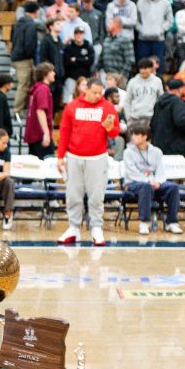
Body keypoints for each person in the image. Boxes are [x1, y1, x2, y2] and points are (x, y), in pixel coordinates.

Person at [56, 79, 120, 246]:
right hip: (74, 156)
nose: (98, 95)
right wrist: (60, 156)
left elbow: (115, 133)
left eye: (100, 92)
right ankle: (73, 228)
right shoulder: (72, 106)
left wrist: (109, 128)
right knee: (73, 194)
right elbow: (64, 132)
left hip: (98, 157)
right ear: (86, 90)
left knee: (97, 195)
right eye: (95, 92)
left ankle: (96, 228)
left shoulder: (107, 107)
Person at [123, 120, 184, 235]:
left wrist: (159, 182)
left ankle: (172, 223)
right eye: (132, 134)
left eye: (136, 134)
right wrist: (149, 181)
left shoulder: (156, 152)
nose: (133, 137)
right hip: (133, 183)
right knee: (146, 186)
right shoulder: (128, 152)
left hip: (153, 183)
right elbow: (132, 173)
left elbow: (160, 171)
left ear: (144, 136)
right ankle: (144, 223)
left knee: (173, 187)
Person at [23, 62, 55, 157]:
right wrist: (46, 133)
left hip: (33, 133)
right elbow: (40, 110)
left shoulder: (36, 88)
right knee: (48, 164)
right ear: (45, 74)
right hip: (39, 134)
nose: (54, 73)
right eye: (51, 71)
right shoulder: (43, 89)